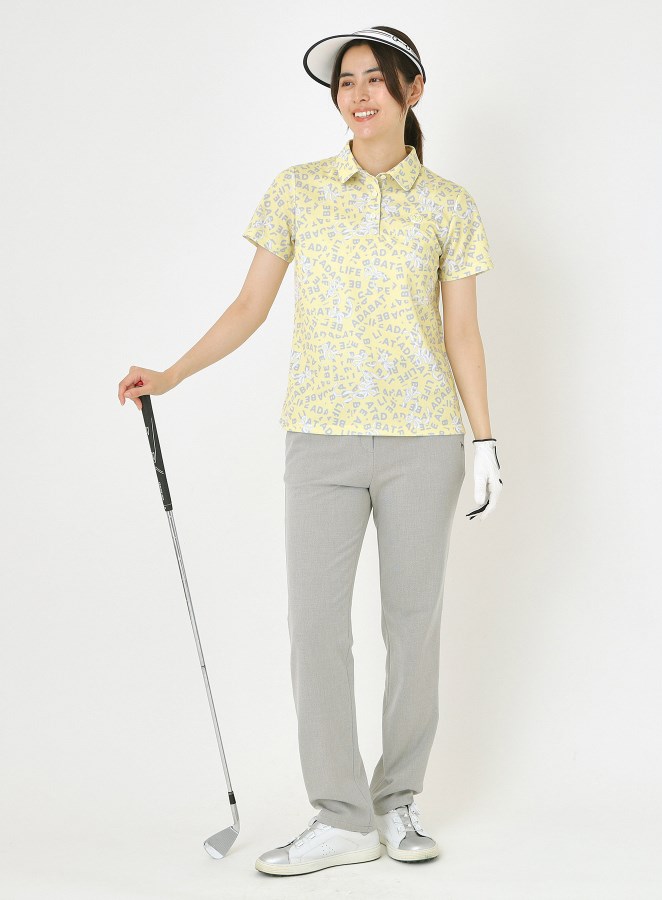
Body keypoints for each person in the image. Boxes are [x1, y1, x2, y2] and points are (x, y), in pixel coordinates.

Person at [118, 25, 503, 877]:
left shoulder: (449, 204)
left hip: (421, 440)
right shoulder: (298, 189)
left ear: (413, 91)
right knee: (316, 630)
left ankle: (397, 801)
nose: (358, 95)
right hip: (320, 440)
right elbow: (249, 306)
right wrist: (172, 374)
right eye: (345, 83)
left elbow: (463, 334)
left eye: (375, 80)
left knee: (413, 627)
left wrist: (484, 438)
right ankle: (341, 817)